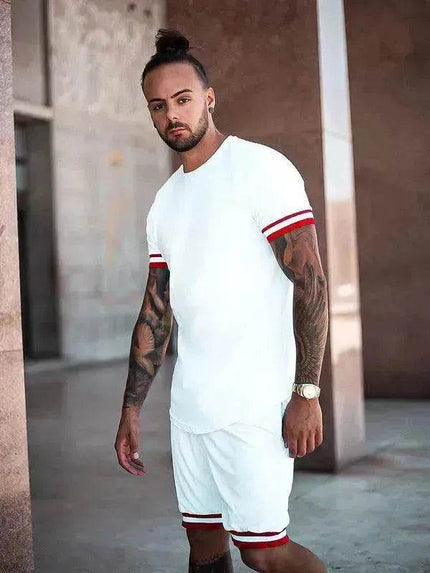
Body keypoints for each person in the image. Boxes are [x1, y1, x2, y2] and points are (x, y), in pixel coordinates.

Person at [115, 28, 328, 573]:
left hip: (255, 408)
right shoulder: (165, 203)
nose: (172, 115)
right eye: (158, 106)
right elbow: (155, 311)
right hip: (191, 410)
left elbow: (311, 284)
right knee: (204, 548)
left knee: (264, 552)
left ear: (209, 99)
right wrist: (132, 409)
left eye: (183, 99)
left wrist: (307, 391)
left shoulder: (260, 169)